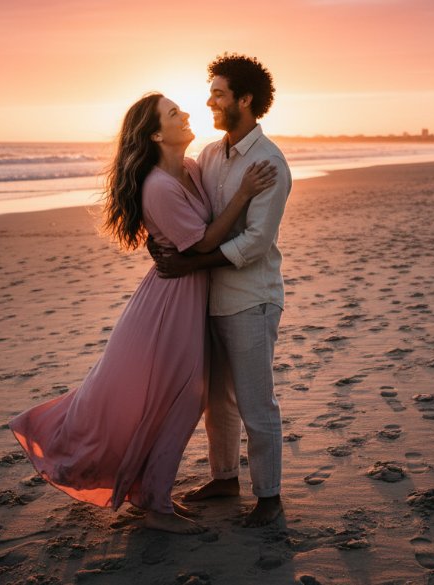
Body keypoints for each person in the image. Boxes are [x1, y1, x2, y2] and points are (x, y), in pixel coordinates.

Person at [8, 92, 276, 534]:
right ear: (156, 133)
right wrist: (246, 190)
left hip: (191, 296)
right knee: (174, 398)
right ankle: (153, 505)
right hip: (170, 303)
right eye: (174, 113)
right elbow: (204, 242)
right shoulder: (158, 186)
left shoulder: (190, 169)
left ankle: (153, 495)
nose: (187, 113)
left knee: (185, 400)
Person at [151, 54, 293, 527]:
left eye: (219, 93)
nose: (209, 101)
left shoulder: (269, 162)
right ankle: (225, 477)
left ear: (245, 100)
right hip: (209, 297)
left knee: (256, 401)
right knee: (217, 401)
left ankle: (269, 498)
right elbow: (194, 214)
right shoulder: (210, 156)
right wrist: (158, 236)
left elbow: (255, 243)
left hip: (252, 297)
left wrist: (191, 261)